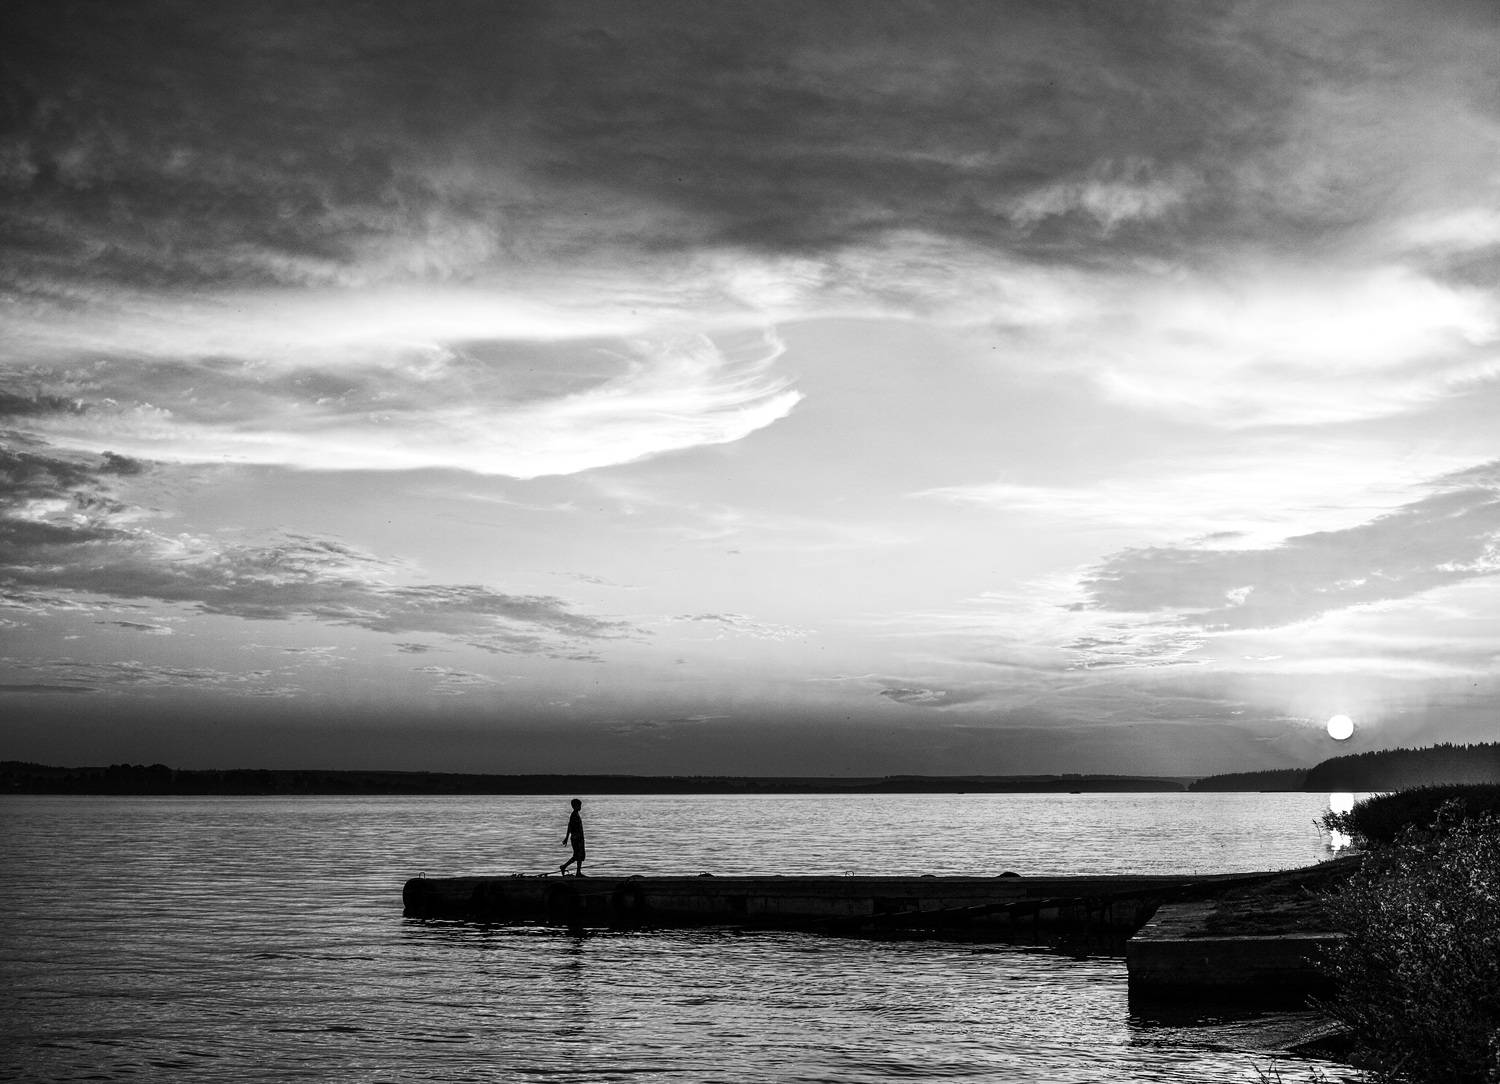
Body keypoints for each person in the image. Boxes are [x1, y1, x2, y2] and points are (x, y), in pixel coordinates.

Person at [559, 798, 585, 876]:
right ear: (574, 806)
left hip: (579, 838)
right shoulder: (574, 815)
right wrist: (566, 838)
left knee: (579, 855)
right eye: (579, 806)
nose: (580, 807)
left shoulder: (576, 814)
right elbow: (570, 827)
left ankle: (575, 871)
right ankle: (574, 871)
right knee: (578, 855)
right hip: (576, 838)